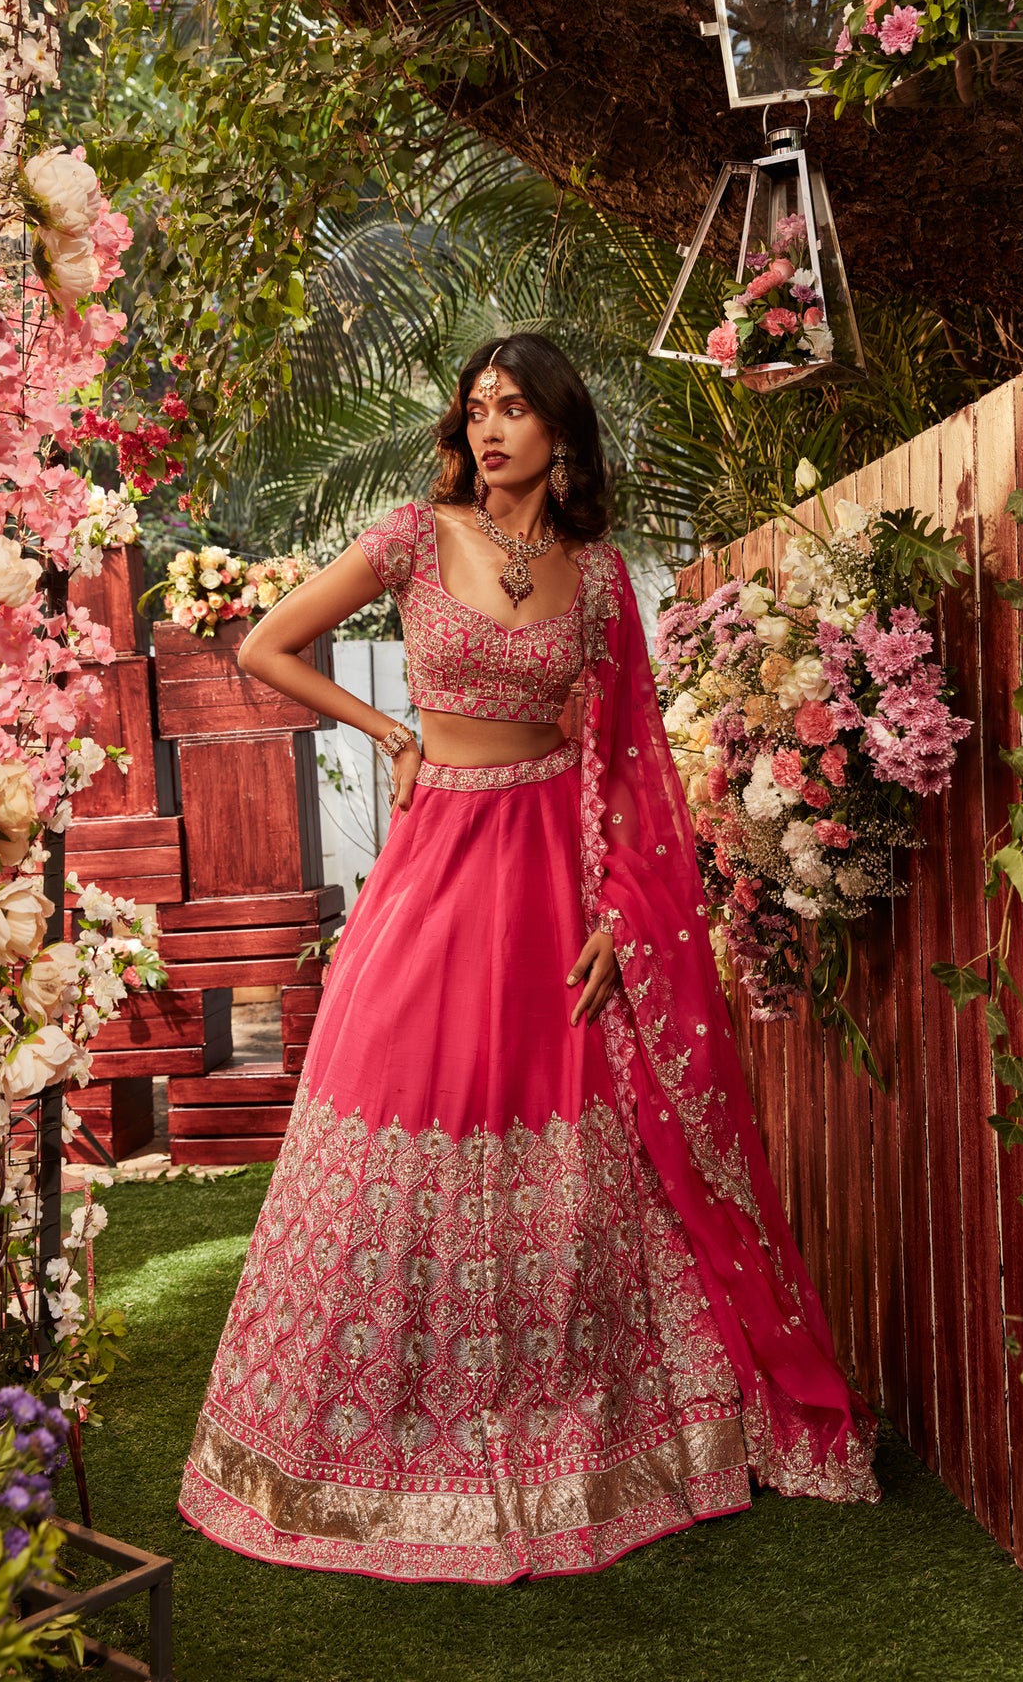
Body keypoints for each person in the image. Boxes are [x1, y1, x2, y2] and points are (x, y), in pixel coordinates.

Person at [178, 333, 878, 1584]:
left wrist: (625, 919)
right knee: (405, 1087)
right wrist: (392, 730)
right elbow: (266, 648)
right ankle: (374, 1435)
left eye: (517, 409)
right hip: (440, 859)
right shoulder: (410, 535)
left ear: (562, 433)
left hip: (560, 878)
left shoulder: (601, 581)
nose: (492, 428)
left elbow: (628, 766)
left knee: (559, 1111)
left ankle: (599, 1431)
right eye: (479, 408)